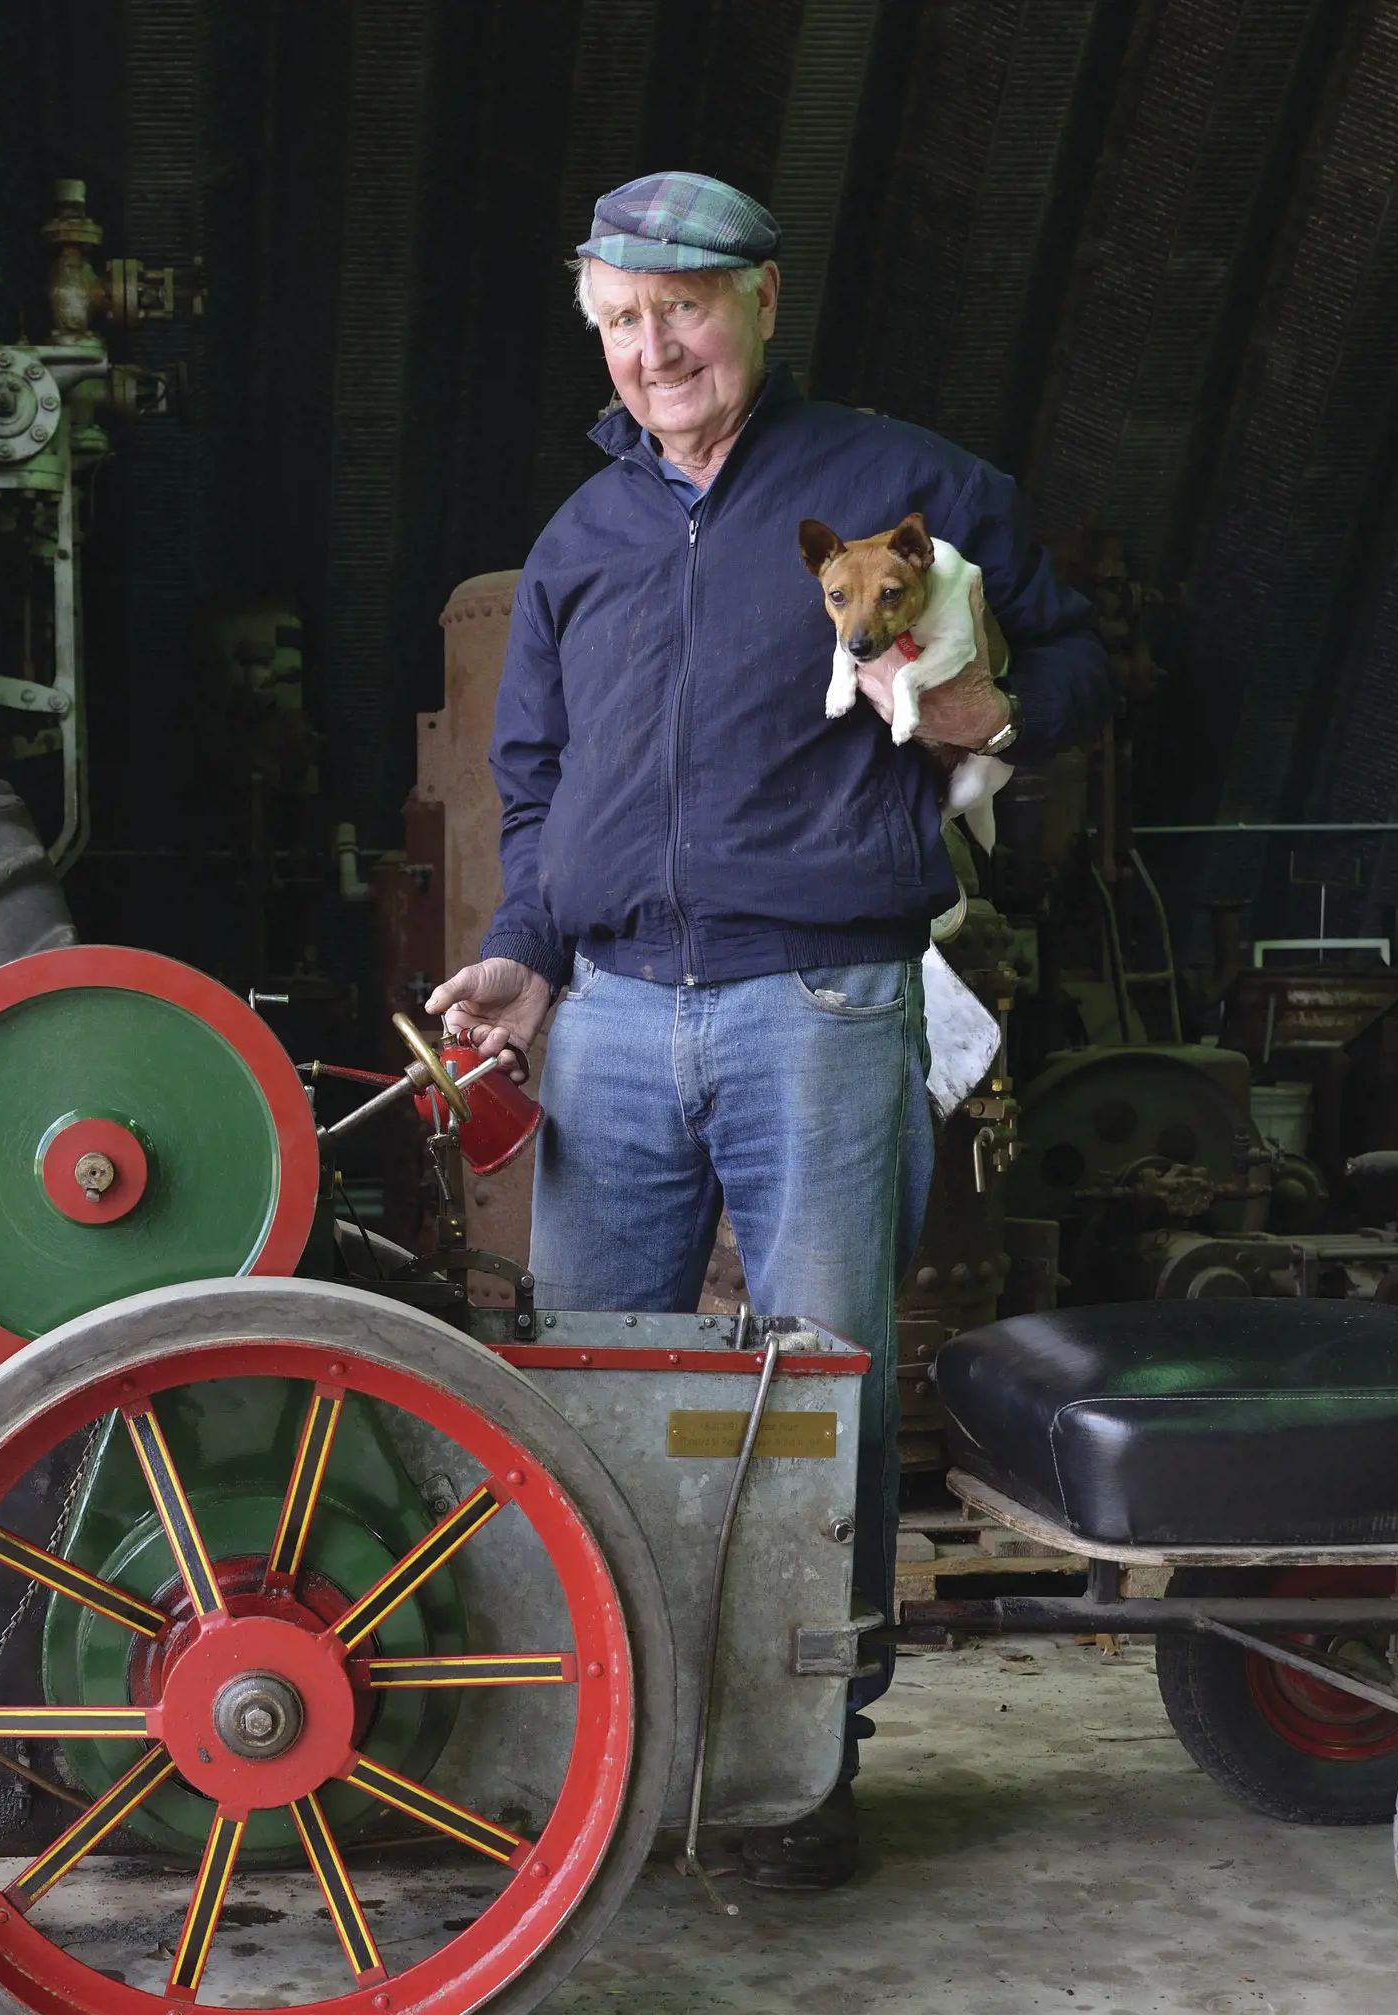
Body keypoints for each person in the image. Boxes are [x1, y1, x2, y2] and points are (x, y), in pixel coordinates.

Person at [427, 170, 1112, 1889]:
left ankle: (809, 1759)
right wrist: (521, 947)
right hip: (604, 1016)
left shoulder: (903, 482)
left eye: (685, 309)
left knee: (817, 1384)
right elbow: (535, 788)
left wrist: (994, 708)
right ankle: (609, 1748)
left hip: (820, 995)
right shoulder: (578, 543)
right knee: (592, 1381)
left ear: (763, 304)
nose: (655, 349)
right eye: (621, 321)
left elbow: (1082, 656)